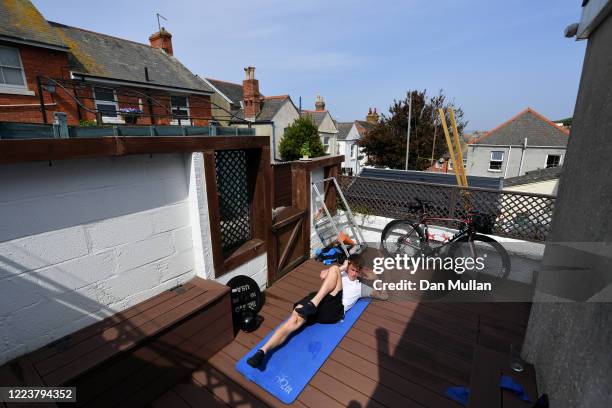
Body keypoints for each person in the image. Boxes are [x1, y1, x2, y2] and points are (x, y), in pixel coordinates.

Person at [247, 253, 387, 368]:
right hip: (321, 301)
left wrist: (377, 278)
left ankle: (313, 303)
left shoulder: (360, 287)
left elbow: (384, 295)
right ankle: (262, 352)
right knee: (294, 321)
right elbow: (322, 275)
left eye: (357, 271)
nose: (354, 274)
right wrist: (343, 268)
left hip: (334, 309)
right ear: (348, 265)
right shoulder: (341, 273)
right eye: (352, 269)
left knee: (333, 269)